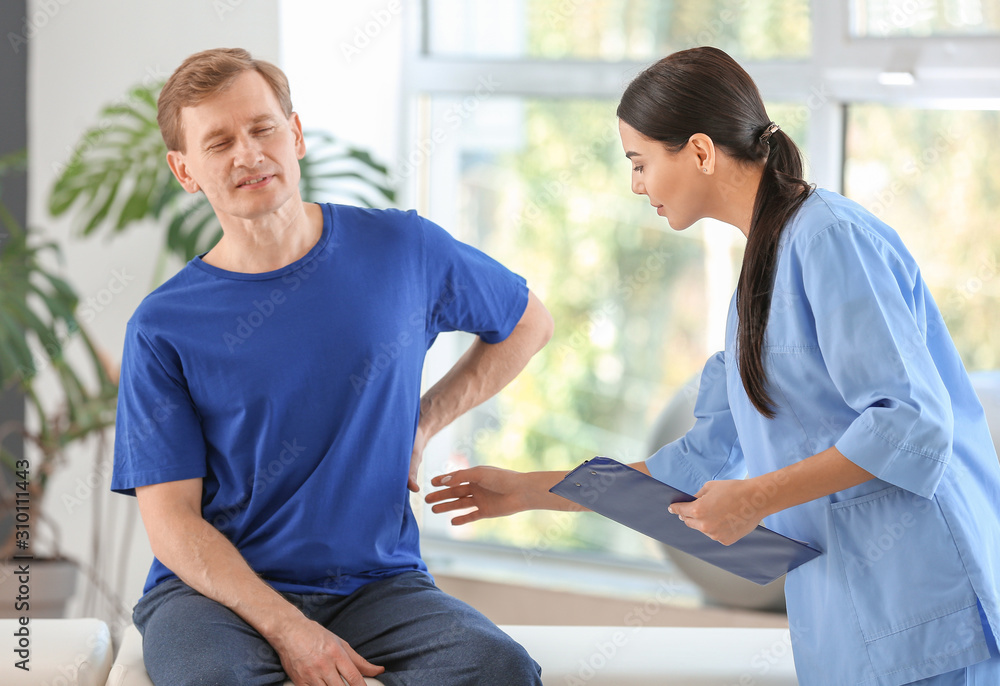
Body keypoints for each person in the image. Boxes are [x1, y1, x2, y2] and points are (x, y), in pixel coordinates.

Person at [426, 46, 1000, 686]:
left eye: (640, 162)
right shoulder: (757, 279)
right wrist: (529, 490)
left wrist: (756, 497)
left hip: (924, 603)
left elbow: (913, 424)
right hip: (848, 617)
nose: (637, 185)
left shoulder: (829, 236)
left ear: (700, 151)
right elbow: (695, 464)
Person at [110, 48, 551, 686]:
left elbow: (527, 323)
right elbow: (172, 524)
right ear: (185, 170)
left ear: (294, 134)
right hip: (215, 599)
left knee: (499, 670)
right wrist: (292, 630)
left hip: (379, 586)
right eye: (219, 142)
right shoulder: (162, 326)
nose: (248, 153)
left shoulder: (403, 248)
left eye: (263, 128)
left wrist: (421, 425)